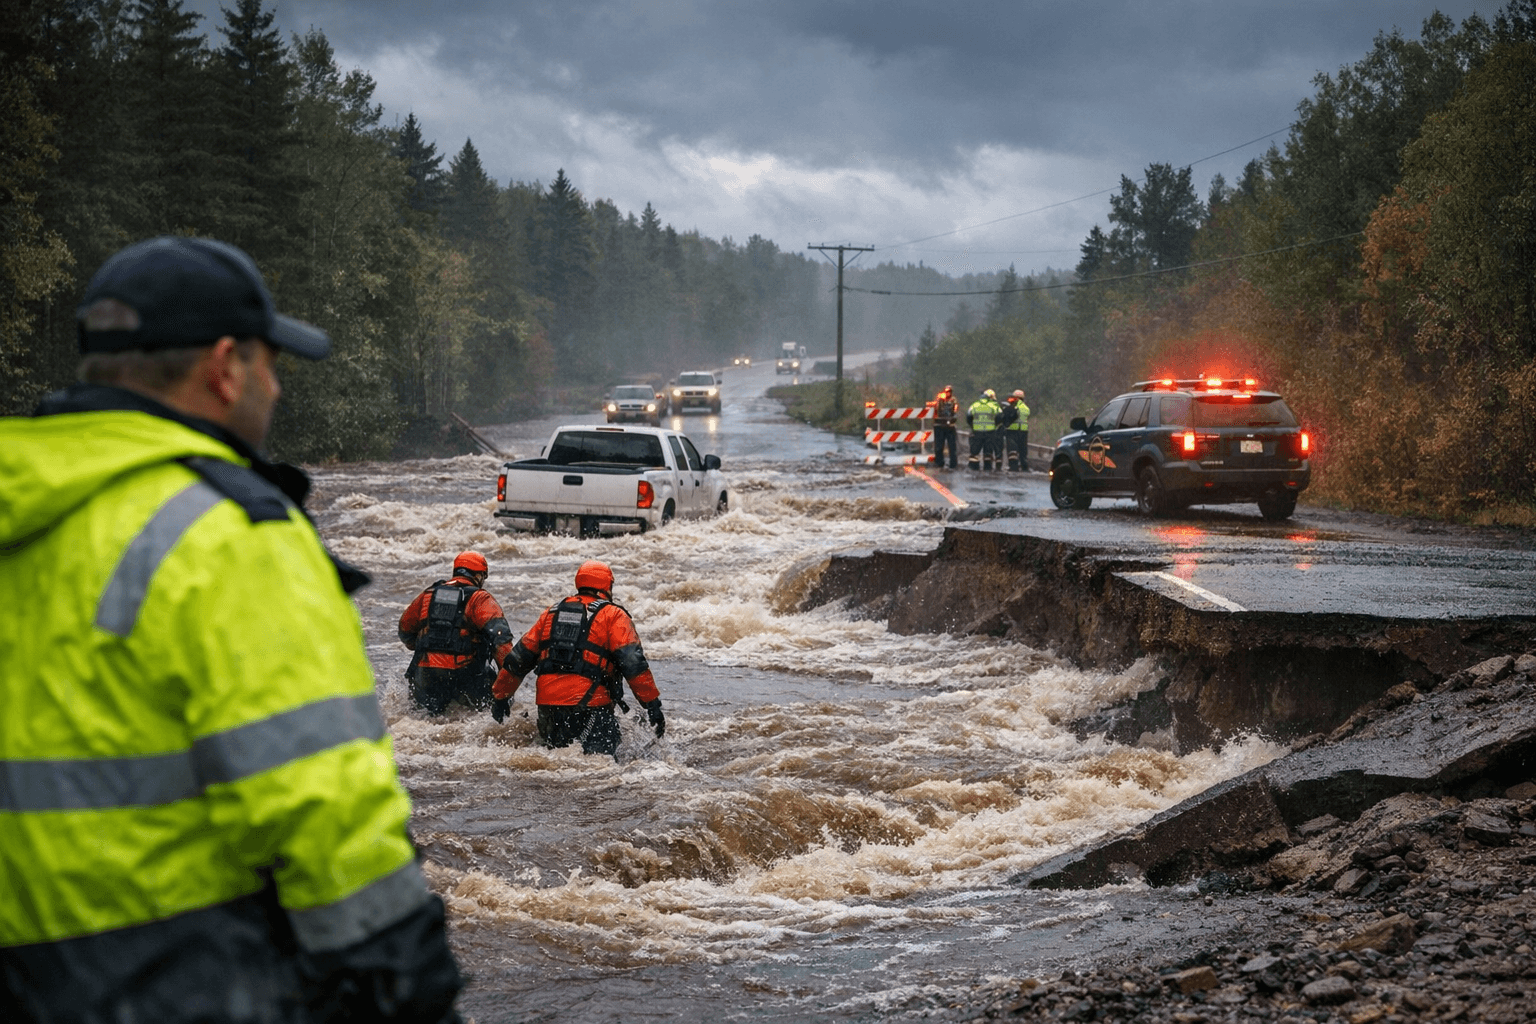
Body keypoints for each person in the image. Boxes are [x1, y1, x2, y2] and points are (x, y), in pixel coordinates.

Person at [0, 236, 462, 1023]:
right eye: (270, 364)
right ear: (224, 367)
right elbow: (324, 807)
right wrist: (410, 991)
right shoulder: (229, 537)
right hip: (177, 980)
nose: (276, 388)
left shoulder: (26, 499)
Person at [491, 560, 665, 757]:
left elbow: (518, 659)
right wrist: (652, 704)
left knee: (553, 764)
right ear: (607, 585)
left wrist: (500, 697)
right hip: (591, 707)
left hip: (548, 707)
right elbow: (633, 662)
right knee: (601, 769)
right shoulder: (613, 614)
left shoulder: (551, 613)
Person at [399, 551, 515, 715]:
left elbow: (405, 630)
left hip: (426, 674)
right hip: (465, 675)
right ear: (479, 575)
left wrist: (421, 647)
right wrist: (508, 685)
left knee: (422, 719)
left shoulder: (428, 595)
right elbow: (501, 643)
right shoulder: (480, 599)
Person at [966, 388, 1003, 470]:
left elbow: (968, 416)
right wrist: (994, 424)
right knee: (988, 452)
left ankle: (973, 468)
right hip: (990, 432)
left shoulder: (974, 405)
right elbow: (1000, 416)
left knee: (975, 452)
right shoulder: (993, 406)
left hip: (977, 432)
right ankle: (988, 468)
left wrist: (973, 426)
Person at [931, 384, 959, 469]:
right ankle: (939, 463)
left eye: (949, 392)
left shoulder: (953, 400)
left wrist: (954, 418)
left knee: (952, 446)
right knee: (939, 446)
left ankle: (953, 464)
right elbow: (935, 409)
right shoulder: (940, 400)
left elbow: (955, 411)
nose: (948, 393)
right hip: (939, 425)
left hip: (950, 426)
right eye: (947, 392)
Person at [1002, 388, 1031, 471]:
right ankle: (1025, 467)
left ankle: (1013, 467)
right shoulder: (1026, 408)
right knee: (1023, 450)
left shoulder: (1014, 406)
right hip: (1024, 432)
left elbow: (1008, 415)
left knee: (1012, 450)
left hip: (1012, 431)